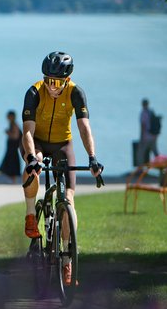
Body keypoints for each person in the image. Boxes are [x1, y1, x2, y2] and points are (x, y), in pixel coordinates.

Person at [20, 51, 104, 286]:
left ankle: (68, 260)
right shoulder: (34, 92)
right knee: (33, 163)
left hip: (62, 144)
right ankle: (30, 214)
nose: (52, 87)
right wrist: (32, 157)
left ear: (67, 80)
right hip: (36, 141)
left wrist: (92, 157)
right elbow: (27, 130)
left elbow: (84, 127)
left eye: (56, 82)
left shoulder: (76, 93)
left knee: (68, 199)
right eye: (48, 80)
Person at [0, 110, 23, 184]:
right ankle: (12, 179)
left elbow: (16, 136)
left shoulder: (15, 125)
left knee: (12, 163)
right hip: (11, 147)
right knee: (9, 162)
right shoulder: (11, 124)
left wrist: (8, 133)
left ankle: (13, 180)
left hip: (13, 148)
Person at [138, 98, 159, 164]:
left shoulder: (143, 113)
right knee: (155, 152)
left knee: (140, 153)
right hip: (153, 136)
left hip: (146, 137)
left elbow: (143, 126)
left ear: (142, 104)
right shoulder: (151, 112)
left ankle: (140, 169)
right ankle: (162, 167)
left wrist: (141, 138)